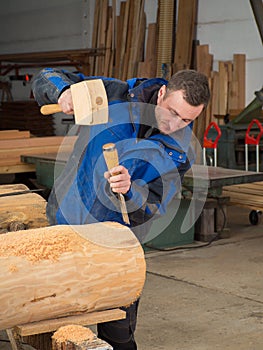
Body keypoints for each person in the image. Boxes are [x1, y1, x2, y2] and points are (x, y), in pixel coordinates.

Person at [32, 68, 210, 350]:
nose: (175, 123)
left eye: (187, 119)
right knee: (52, 323)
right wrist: (63, 92)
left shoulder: (181, 149)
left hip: (117, 243)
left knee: (118, 336)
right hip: (65, 223)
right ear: (162, 93)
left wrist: (131, 192)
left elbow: (154, 204)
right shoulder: (115, 95)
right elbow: (47, 74)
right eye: (173, 112)